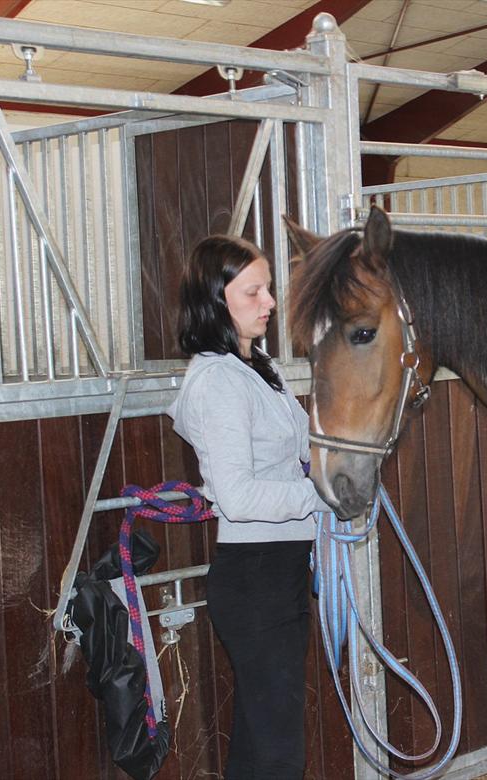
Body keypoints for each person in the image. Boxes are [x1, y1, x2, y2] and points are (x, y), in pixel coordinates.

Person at [169, 234, 328, 779]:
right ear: (218, 300)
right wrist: (323, 495)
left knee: (260, 746)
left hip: (279, 571)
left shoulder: (259, 366)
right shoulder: (217, 383)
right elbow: (235, 497)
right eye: (253, 291)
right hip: (256, 575)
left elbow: (301, 447)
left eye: (268, 290)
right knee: (279, 751)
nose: (270, 303)